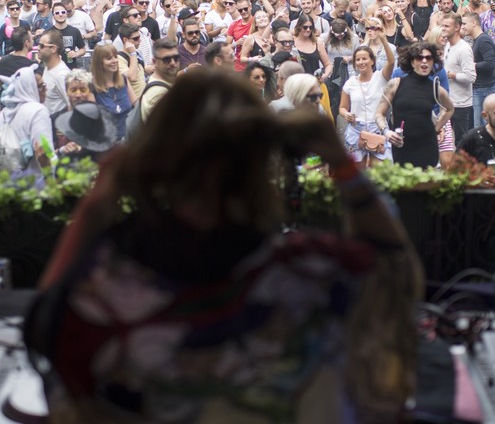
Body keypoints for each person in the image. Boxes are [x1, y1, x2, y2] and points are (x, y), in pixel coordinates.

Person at [29, 71, 421, 423]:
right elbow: (395, 271)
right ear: (260, 165)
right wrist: (339, 161)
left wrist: (100, 200)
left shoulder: (103, 290)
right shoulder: (312, 277)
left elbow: (43, 324)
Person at [377, 42, 454, 168]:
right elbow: (379, 113)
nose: (424, 61)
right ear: (412, 62)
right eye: (419, 58)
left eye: (428, 58)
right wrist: (386, 131)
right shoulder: (395, 84)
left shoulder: (436, 88)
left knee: (426, 185)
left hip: (427, 147)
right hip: (401, 146)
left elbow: (450, 109)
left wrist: (437, 128)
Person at [339, 43, 396, 167]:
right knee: (357, 172)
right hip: (356, 130)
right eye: (357, 60)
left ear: (372, 61)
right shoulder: (350, 83)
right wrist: (346, 114)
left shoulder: (380, 77)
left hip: (377, 128)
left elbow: (391, 62)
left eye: (364, 58)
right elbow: (342, 107)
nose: (361, 62)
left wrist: (382, 38)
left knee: (381, 171)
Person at [0, 65, 53, 174]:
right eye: (40, 86)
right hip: (35, 182)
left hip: (7, 182)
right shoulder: (38, 111)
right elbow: (46, 152)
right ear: (30, 88)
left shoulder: (2, 115)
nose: (45, 89)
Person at [443, 14, 477, 144]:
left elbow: (471, 76)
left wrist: (451, 75)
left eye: (447, 26)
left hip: (461, 104)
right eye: (443, 25)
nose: (443, 29)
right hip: (448, 102)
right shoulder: (448, 45)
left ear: (457, 27)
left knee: (462, 143)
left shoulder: (463, 49)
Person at [90, 43, 135, 141]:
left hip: (128, 140)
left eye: (115, 57)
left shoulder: (124, 80)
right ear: (99, 62)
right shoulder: (92, 87)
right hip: (107, 145)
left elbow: (136, 105)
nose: (114, 61)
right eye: (109, 58)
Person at [461, 12, 495, 127]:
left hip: (484, 89)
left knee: (481, 126)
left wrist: (472, 65)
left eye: (464, 23)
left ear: (474, 23)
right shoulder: (478, 40)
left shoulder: (484, 40)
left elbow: (490, 63)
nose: (462, 27)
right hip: (479, 88)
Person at [38, 29, 72, 115]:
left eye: (41, 46)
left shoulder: (62, 75)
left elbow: (72, 105)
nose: (38, 49)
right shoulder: (47, 68)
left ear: (53, 49)